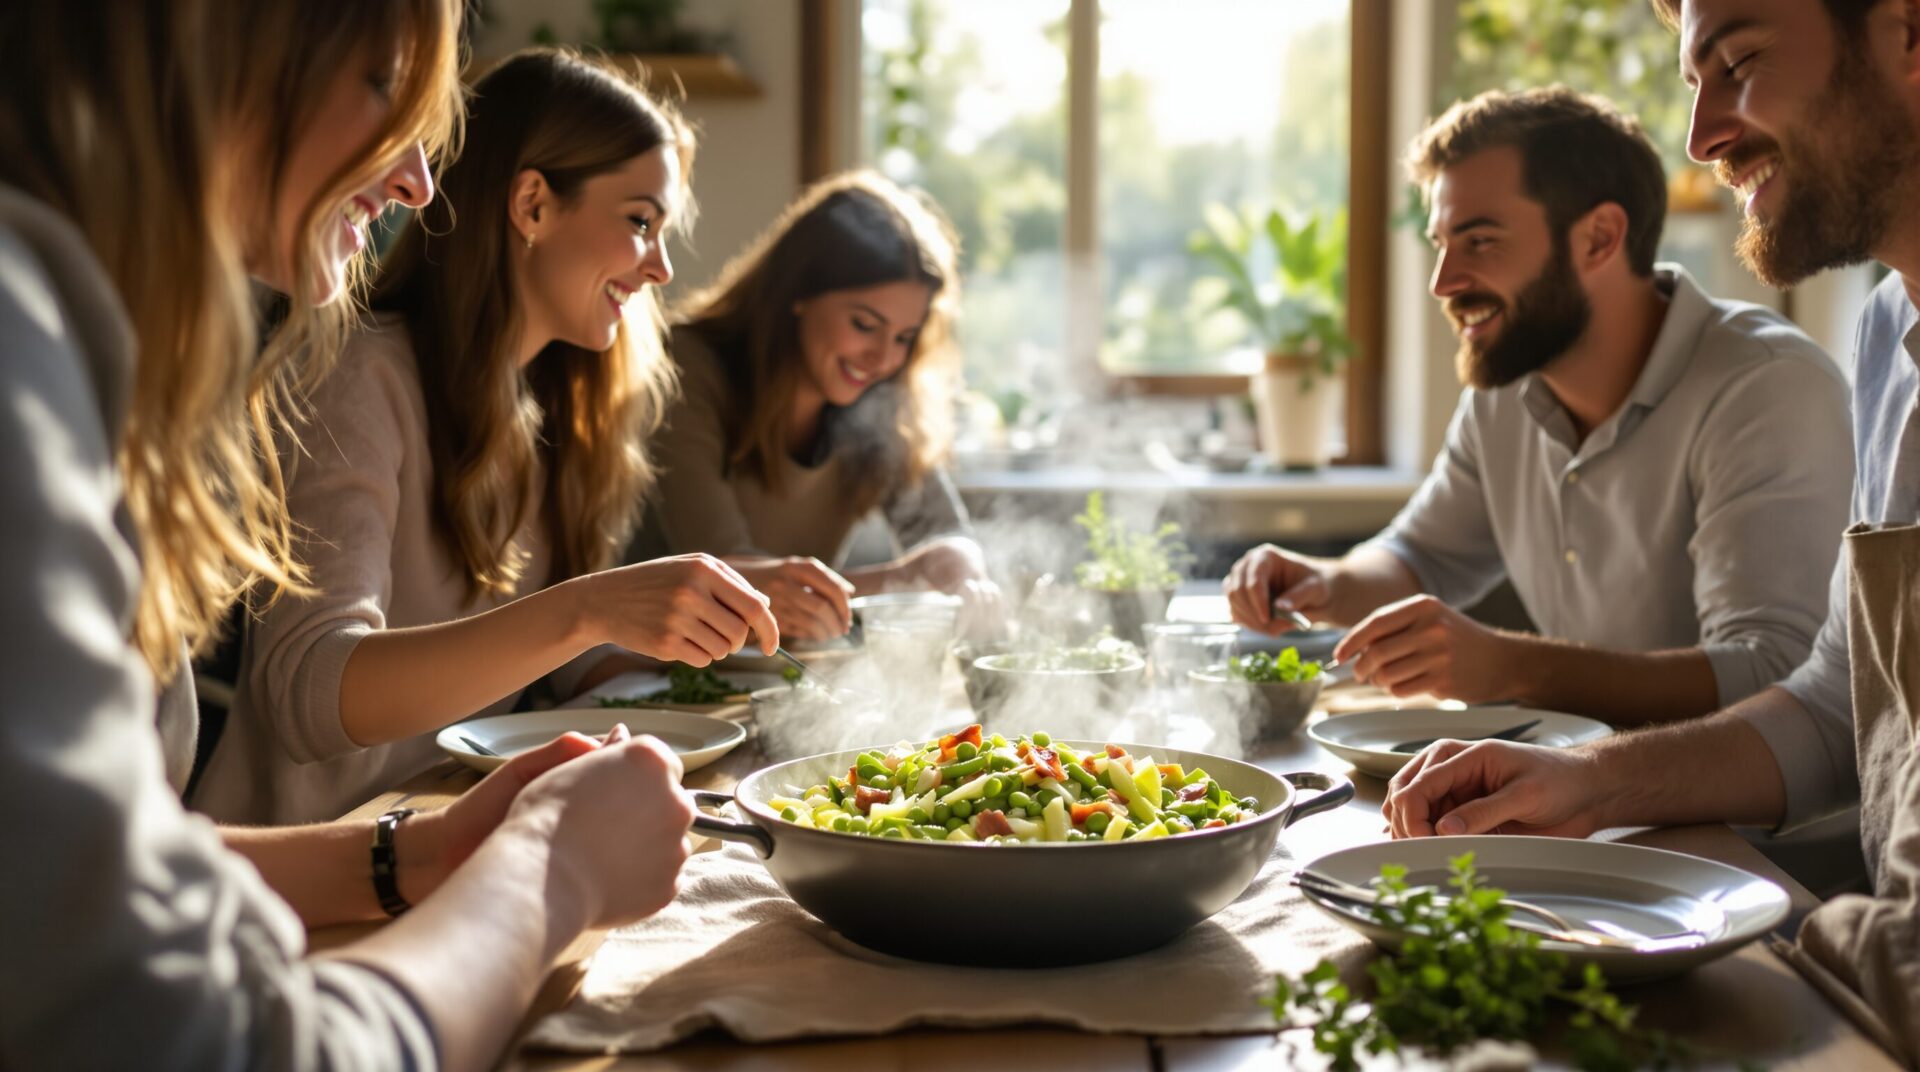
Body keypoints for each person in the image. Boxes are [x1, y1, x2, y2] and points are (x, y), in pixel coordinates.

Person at [1, 5, 701, 1067]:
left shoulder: (79, 357)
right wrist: (551, 871)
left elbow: (98, 870)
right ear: (214, 48)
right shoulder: (24, 350)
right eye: (383, 83)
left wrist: (416, 854)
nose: (422, 181)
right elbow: (204, 1042)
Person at [1383, 0, 1920, 1053]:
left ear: (1906, 33)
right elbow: (1833, 702)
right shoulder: (1887, 335)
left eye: (1741, 61)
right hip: (1866, 961)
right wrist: (1584, 784)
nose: (1703, 135)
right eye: (1694, 82)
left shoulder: (1772, 382)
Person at [193, 48, 779, 826]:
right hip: (301, 868)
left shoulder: (553, 404)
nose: (662, 268)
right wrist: (591, 609)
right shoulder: (359, 375)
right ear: (532, 205)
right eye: (640, 222)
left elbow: (556, 670)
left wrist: (707, 614)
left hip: (443, 837)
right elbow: (311, 694)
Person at [1223, 87, 1850, 725]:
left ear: (1599, 238)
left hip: (1747, 825)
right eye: (1442, 244)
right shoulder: (1506, 394)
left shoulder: (1764, 390)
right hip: (1592, 795)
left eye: (1480, 241)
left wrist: (1511, 666)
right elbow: (1420, 558)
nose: (1444, 282)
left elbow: (1770, 674)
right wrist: (1322, 586)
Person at [624, 171, 1000, 642]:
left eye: (904, 337)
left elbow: (941, 532)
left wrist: (959, 559)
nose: (883, 358)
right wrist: (913, 577)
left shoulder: (879, 396)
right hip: (642, 670)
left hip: (778, 670)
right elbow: (724, 583)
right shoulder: (687, 367)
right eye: (864, 324)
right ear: (797, 294)